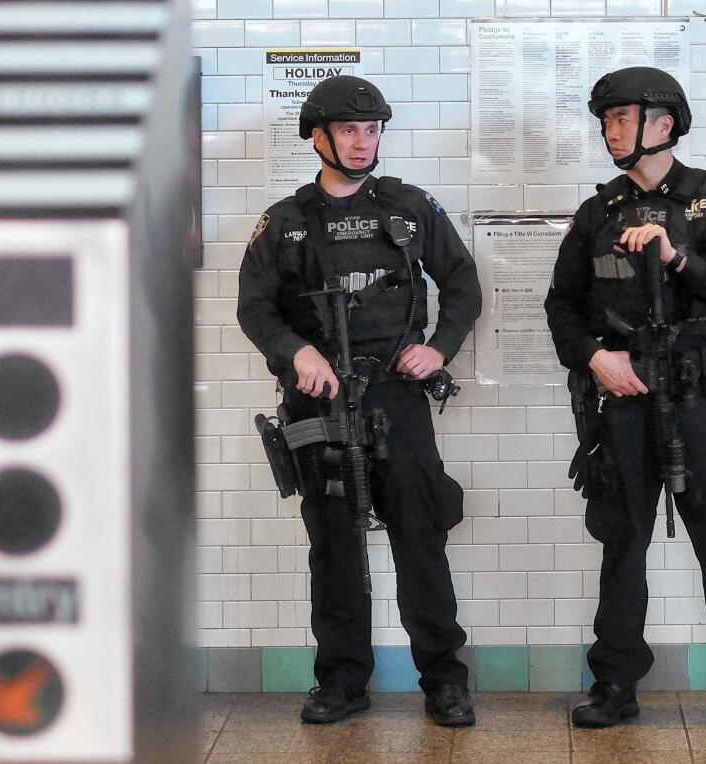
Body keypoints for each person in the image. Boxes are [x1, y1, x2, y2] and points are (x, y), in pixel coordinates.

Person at [544, 66, 706, 728]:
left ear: (663, 125)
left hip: (705, 398)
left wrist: (677, 258)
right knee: (622, 545)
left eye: (623, 118)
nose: (611, 130)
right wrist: (593, 356)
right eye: (605, 121)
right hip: (629, 400)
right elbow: (563, 305)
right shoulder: (597, 213)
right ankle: (614, 687)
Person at [237, 75, 481, 728]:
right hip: (318, 407)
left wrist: (440, 348)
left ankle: (444, 681)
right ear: (317, 136)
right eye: (349, 129)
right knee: (335, 547)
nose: (362, 142)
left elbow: (462, 283)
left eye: (371, 130)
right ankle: (342, 682)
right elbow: (254, 308)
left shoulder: (408, 209)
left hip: (396, 399)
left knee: (421, 539)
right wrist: (297, 352)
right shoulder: (285, 223)